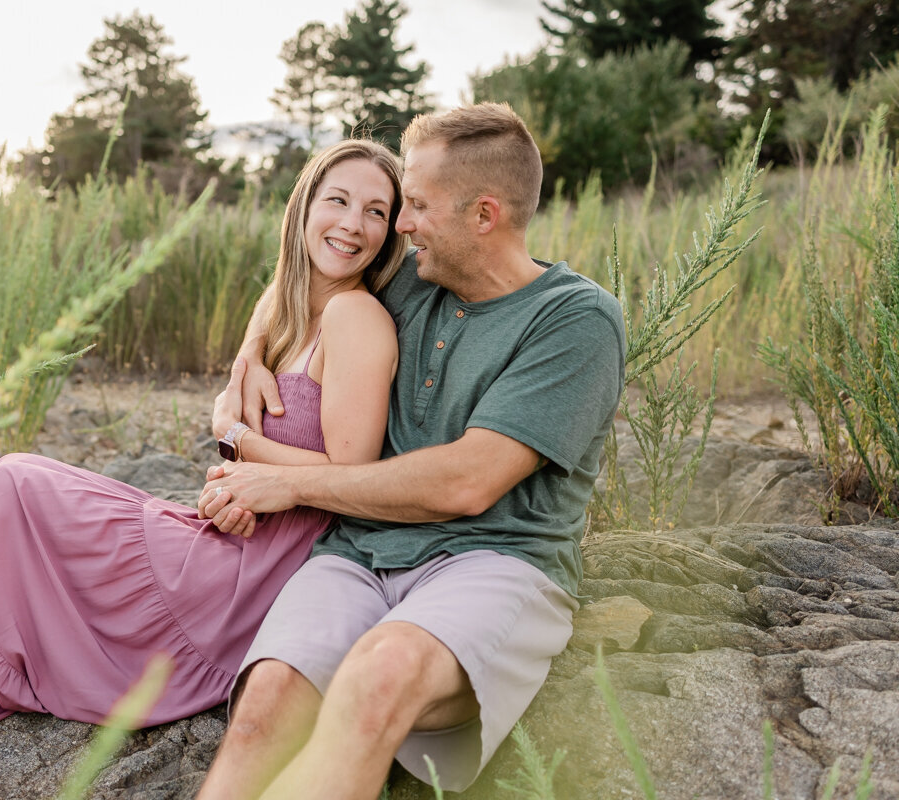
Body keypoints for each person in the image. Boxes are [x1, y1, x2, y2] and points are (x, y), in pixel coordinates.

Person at [0, 139, 406, 800]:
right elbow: (247, 391)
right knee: (7, 498)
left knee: (14, 485)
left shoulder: (356, 316)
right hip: (228, 529)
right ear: (303, 208)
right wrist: (243, 388)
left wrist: (234, 433)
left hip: (254, 577)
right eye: (339, 200)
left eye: (376, 211)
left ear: (390, 233)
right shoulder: (284, 306)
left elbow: (347, 473)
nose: (353, 223)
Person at [194, 102, 627, 799]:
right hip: (359, 556)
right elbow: (302, 272)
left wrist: (295, 485)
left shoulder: (575, 321)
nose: (400, 224)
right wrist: (247, 359)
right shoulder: (412, 278)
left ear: (483, 215)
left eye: (417, 204)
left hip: (495, 560)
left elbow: (468, 483)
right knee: (263, 709)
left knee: (376, 681)